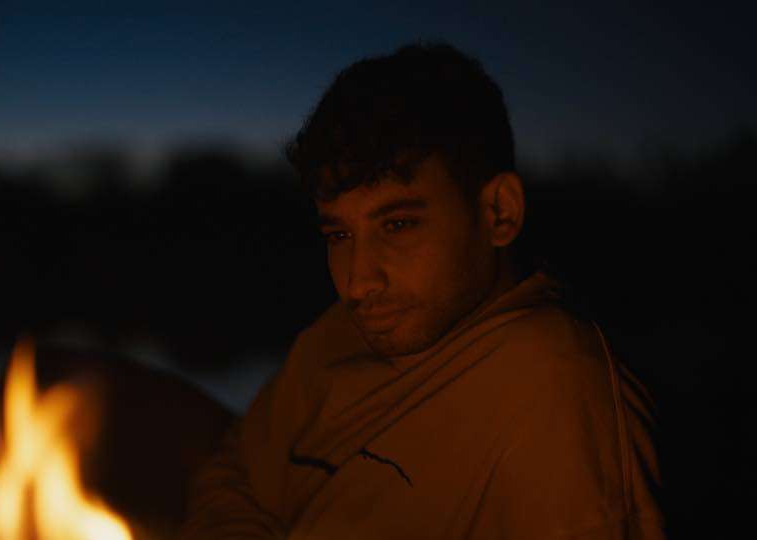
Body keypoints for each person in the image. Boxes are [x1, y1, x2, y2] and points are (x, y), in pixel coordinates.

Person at [179, 42, 664, 539]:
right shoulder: (339, 333)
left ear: (499, 212)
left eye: (398, 224)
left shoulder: (558, 392)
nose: (359, 282)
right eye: (339, 235)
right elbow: (236, 468)